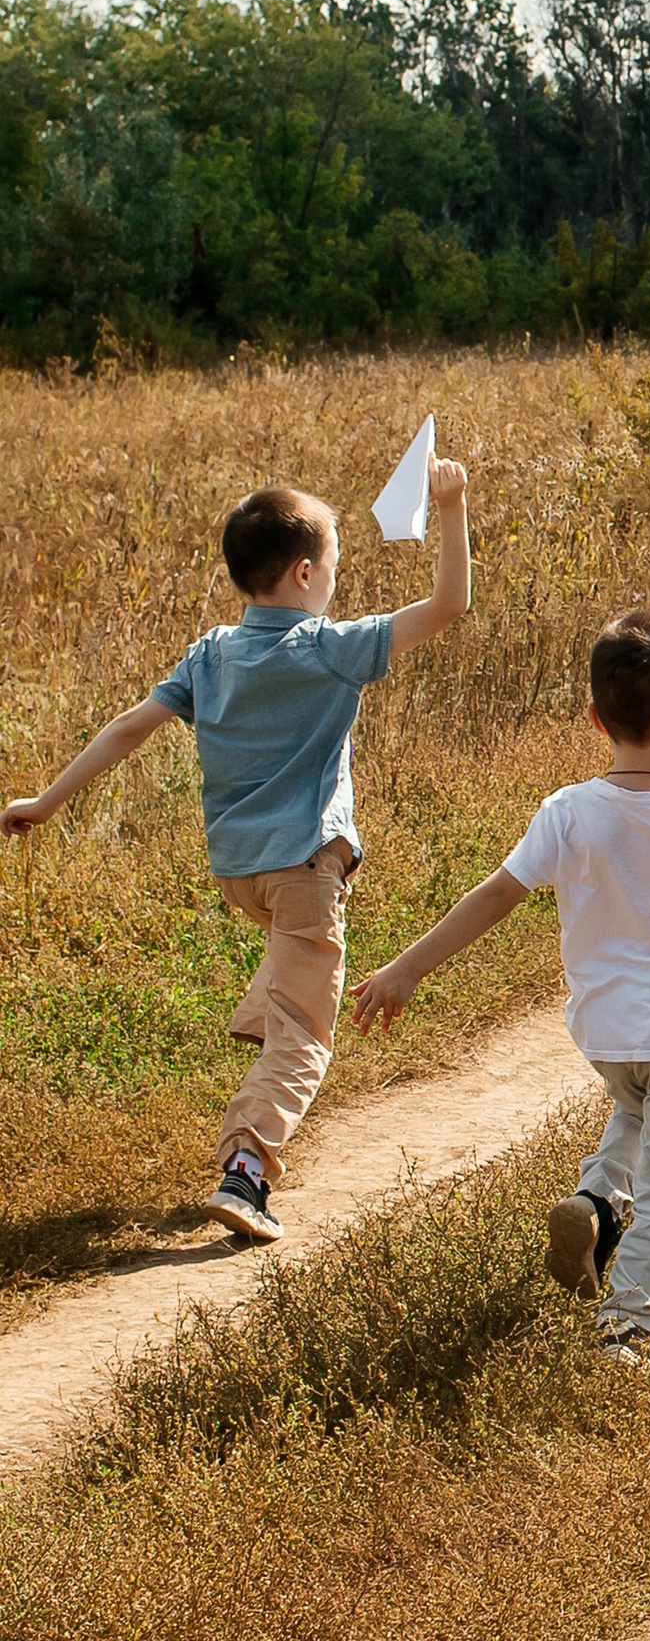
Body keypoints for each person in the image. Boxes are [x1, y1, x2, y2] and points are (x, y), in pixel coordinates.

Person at [3, 462, 473, 1243]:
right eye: (334, 567)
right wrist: (451, 505)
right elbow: (451, 604)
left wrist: (46, 801)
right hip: (304, 874)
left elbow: (128, 727)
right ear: (303, 572)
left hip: (239, 874)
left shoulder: (211, 653)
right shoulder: (328, 648)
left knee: (287, 970)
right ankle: (246, 1169)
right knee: (307, 1038)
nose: (334, 581)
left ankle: (267, 1012)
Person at [349, 605, 650, 1367]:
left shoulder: (568, 812)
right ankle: (630, 1329)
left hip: (609, 1035)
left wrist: (407, 967)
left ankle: (597, 1202)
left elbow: (496, 893)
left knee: (636, 1111)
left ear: (595, 719)